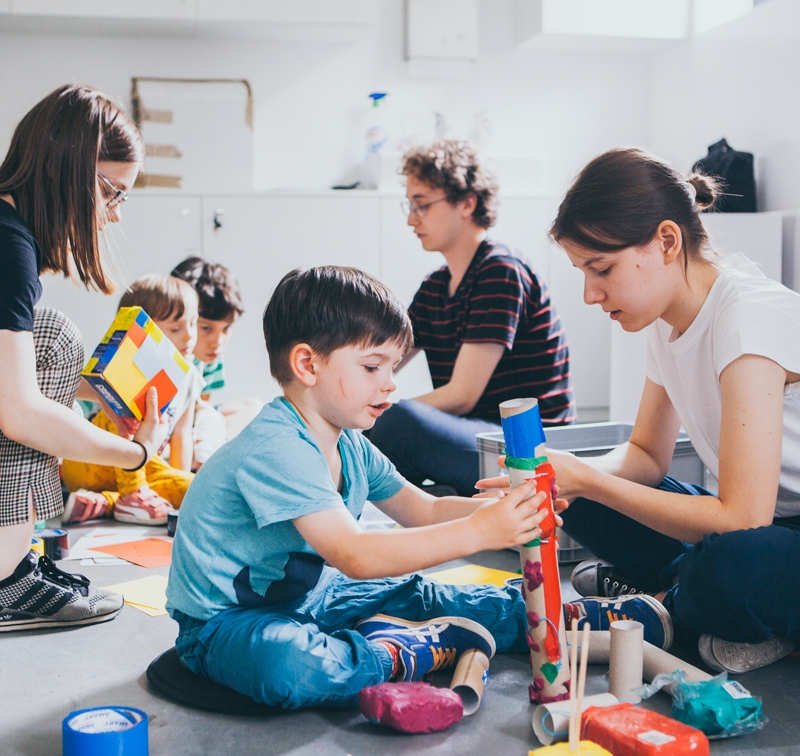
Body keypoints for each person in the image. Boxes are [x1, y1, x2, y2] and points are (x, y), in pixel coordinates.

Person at [165, 266, 663, 710]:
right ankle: (403, 649)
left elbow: (423, 509)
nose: (390, 385)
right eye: (371, 367)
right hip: (222, 623)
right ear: (307, 365)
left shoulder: (350, 445)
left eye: (393, 368)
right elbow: (355, 554)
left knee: (422, 594)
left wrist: (497, 510)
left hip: (314, 597)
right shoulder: (277, 446)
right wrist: (482, 531)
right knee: (288, 667)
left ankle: (583, 616)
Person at [479, 147, 800, 674]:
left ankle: (679, 598)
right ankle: (680, 590)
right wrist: (564, 477)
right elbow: (647, 454)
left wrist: (588, 478)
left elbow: (743, 519)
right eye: (583, 271)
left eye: (600, 268)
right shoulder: (668, 321)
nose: (589, 293)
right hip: (764, 526)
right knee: (576, 496)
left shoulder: (746, 319)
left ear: (667, 242)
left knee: (727, 569)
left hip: (760, 532)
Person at [0, 85, 169, 631]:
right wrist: (134, 455)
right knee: (52, 340)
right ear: (64, 167)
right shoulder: (7, 246)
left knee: (48, 336)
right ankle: (7, 581)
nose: (113, 215)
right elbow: (19, 411)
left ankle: (15, 561)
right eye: (111, 191)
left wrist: (104, 393)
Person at [369, 141, 575, 498]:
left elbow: (462, 396)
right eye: (410, 204)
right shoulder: (436, 286)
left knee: (395, 422)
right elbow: (381, 356)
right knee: (371, 432)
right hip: (476, 435)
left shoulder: (501, 271)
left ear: (466, 202)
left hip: (525, 446)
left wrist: (374, 412)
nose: (410, 218)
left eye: (422, 204)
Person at [62, 275, 204, 524]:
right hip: (91, 462)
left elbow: (182, 434)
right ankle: (129, 495)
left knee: (196, 490)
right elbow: (76, 386)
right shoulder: (128, 364)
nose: (189, 336)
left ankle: (108, 502)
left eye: (193, 324)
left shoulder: (190, 374)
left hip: (145, 466)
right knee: (119, 417)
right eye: (175, 328)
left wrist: (178, 475)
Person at [171, 257, 263, 444]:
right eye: (206, 328)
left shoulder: (210, 356)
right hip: (162, 426)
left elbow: (201, 409)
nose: (218, 342)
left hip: (188, 426)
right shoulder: (167, 353)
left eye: (226, 328)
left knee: (252, 408)